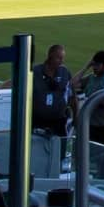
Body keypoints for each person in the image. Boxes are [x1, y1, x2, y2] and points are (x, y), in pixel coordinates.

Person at [30, 44, 73, 180]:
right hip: (38, 121)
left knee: (60, 152)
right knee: (36, 150)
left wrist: (77, 117)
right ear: (50, 57)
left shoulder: (64, 72)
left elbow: (72, 96)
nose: (61, 61)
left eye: (62, 58)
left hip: (58, 122)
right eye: (58, 58)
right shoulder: (34, 72)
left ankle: (56, 178)